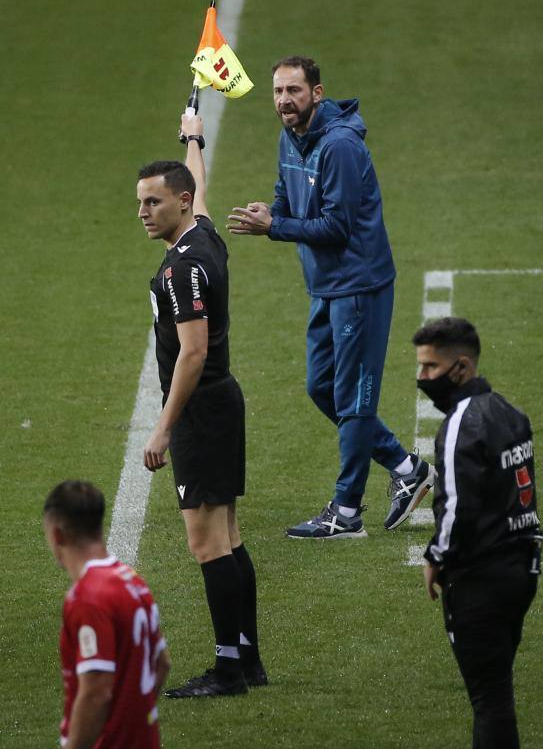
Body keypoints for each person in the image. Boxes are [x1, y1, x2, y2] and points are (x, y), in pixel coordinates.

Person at [227, 55, 433, 537]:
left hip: (359, 285)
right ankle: (406, 469)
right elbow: (286, 192)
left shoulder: (339, 147)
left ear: (317, 93)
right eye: (278, 92)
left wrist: (274, 227)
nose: (284, 101)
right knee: (322, 388)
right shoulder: (291, 136)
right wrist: (271, 209)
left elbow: (337, 226)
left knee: (354, 398)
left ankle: (346, 512)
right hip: (326, 286)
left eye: (294, 91)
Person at [137, 112, 266, 698]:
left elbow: (192, 352)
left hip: (201, 411)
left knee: (207, 542)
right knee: (230, 536)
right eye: (140, 202)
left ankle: (229, 670)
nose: (143, 212)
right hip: (221, 403)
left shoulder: (183, 267)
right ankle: (248, 660)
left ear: (179, 205)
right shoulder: (203, 234)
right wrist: (193, 137)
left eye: (153, 203)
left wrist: (163, 428)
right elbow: (200, 185)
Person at [415, 317, 543, 749]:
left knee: (489, 700)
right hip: (522, 570)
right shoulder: (511, 412)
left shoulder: (459, 426)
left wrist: (435, 557)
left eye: (430, 368)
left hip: (481, 579)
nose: (422, 378)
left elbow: (457, 507)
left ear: (461, 367)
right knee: (498, 693)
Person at [43, 479, 170, 749]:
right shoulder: (134, 581)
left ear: (57, 535)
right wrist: (132, 719)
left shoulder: (87, 598)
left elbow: (96, 691)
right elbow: (162, 664)